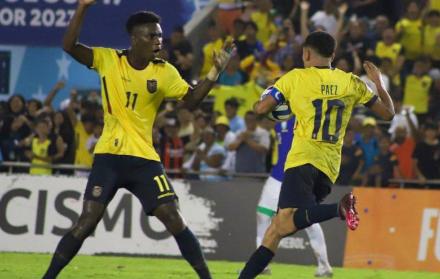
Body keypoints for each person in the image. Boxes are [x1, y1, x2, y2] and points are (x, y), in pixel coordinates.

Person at [42, 1, 234, 278]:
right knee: (86, 222)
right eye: (151, 35)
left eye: (159, 34)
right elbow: (69, 46)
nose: (158, 40)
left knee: (174, 217)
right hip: (109, 156)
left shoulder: (164, 71)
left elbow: (191, 101)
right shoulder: (109, 60)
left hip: (144, 159)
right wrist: (83, 8)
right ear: (134, 38)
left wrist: (214, 73)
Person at [238, 31, 395, 278]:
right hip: (329, 168)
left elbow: (260, 109)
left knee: (282, 225)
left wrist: (269, 92)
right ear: (332, 55)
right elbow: (388, 114)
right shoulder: (352, 82)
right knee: (276, 230)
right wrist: (379, 84)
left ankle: (339, 209)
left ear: (307, 53)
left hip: (302, 159)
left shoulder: (296, 77)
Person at [256, 118, 333, 277]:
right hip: (277, 176)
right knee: (262, 216)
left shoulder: (305, 118)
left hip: (297, 176)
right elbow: (262, 114)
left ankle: (324, 266)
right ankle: (261, 265)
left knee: (309, 221)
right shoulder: (279, 123)